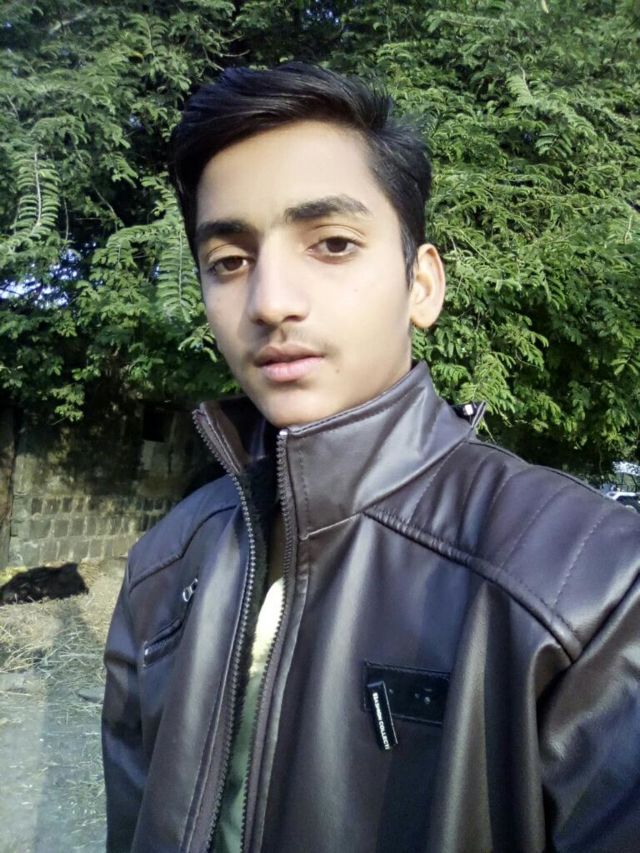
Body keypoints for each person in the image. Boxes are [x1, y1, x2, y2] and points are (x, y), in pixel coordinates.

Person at [102, 63, 640, 853]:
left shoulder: (589, 584)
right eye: (230, 260)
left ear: (422, 285)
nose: (270, 302)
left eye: (332, 243)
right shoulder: (162, 566)